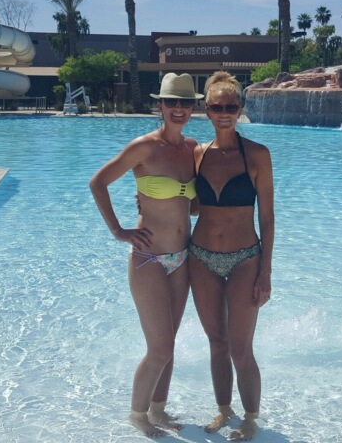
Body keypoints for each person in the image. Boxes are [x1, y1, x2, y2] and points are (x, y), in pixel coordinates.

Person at [89, 72, 201, 438]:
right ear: (161, 106)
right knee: (160, 347)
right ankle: (138, 416)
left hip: (181, 259)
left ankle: (158, 410)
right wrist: (118, 231)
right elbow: (98, 182)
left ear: (193, 107)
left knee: (170, 343)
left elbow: (194, 205)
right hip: (149, 259)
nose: (179, 109)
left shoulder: (193, 149)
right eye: (172, 102)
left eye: (186, 102)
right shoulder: (144, 147)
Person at [190, 71, 274, 441]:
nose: (224, 113)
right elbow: (193, 206)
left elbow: (267, 218)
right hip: (200, 258)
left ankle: (251, 418)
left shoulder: (257, 154)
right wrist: (152, 201)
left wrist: (265, 272)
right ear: (206, 110)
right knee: (217, 343)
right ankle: (224, 410)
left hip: (245, 259)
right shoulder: (197, 154)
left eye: (231, 107)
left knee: (241, 348)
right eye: (216, 107)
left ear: (240, 110)